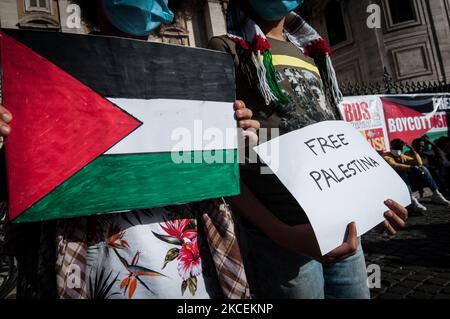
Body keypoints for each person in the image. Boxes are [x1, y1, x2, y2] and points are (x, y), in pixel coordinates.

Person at [0, 0, 260, 299]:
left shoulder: (202, 75)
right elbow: (17, 186)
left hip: (195, 268)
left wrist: (243, 140)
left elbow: (242, 166)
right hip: (93, 267)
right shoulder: (42, 74)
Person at [209, 0, 408, 299]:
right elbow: (217, 161)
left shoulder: (312, 53)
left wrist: (371, 205)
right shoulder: (226, 49)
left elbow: (335, 142)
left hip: (344, 229)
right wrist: (282, 233)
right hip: (281, 239)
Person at [384, 139, 450, 214]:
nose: (397, 149)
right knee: (401, 172)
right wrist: (410, 167)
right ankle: (411, 200)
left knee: (423, 168)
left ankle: (436, 194)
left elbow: (419, 163)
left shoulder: (402, 156)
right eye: (395, 147)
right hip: (395, 187)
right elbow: (393, 165)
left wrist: (413, 151)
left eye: (399, 147)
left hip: (409, 184)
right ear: (391, 147)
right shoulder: (387, 155)